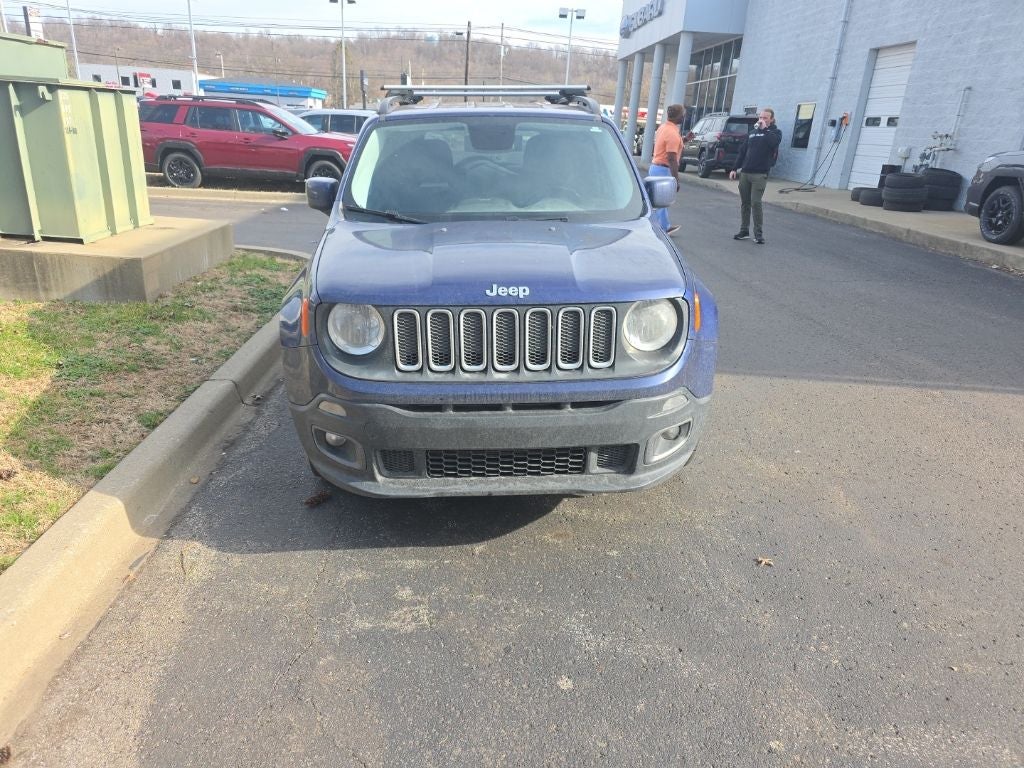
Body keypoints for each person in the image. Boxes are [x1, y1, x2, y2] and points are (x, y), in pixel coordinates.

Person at [729, 107, 782, 245]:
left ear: (771, 119)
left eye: (765, 118)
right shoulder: (752, 133)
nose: (762, 120)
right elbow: (742, 152)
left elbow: (774, 143)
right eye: (760, 117)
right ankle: (744, 231)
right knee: (745, 203)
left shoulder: (775, 133)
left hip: (760, 174)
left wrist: (765, 129)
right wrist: (734, 168)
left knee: (756, 203)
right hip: (746, 173)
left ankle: (758, 234)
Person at [650, 104, 686, 236]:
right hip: (663, 169)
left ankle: (663, 225)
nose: (684, 116)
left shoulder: (664, 127)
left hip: (656, 167)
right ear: (678, 116)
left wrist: (685, 140)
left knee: (659, 200)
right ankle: (663, 228)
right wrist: (676, 179)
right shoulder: (672, 133)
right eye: (683, 113)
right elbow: (671, 158)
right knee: (662, 201)